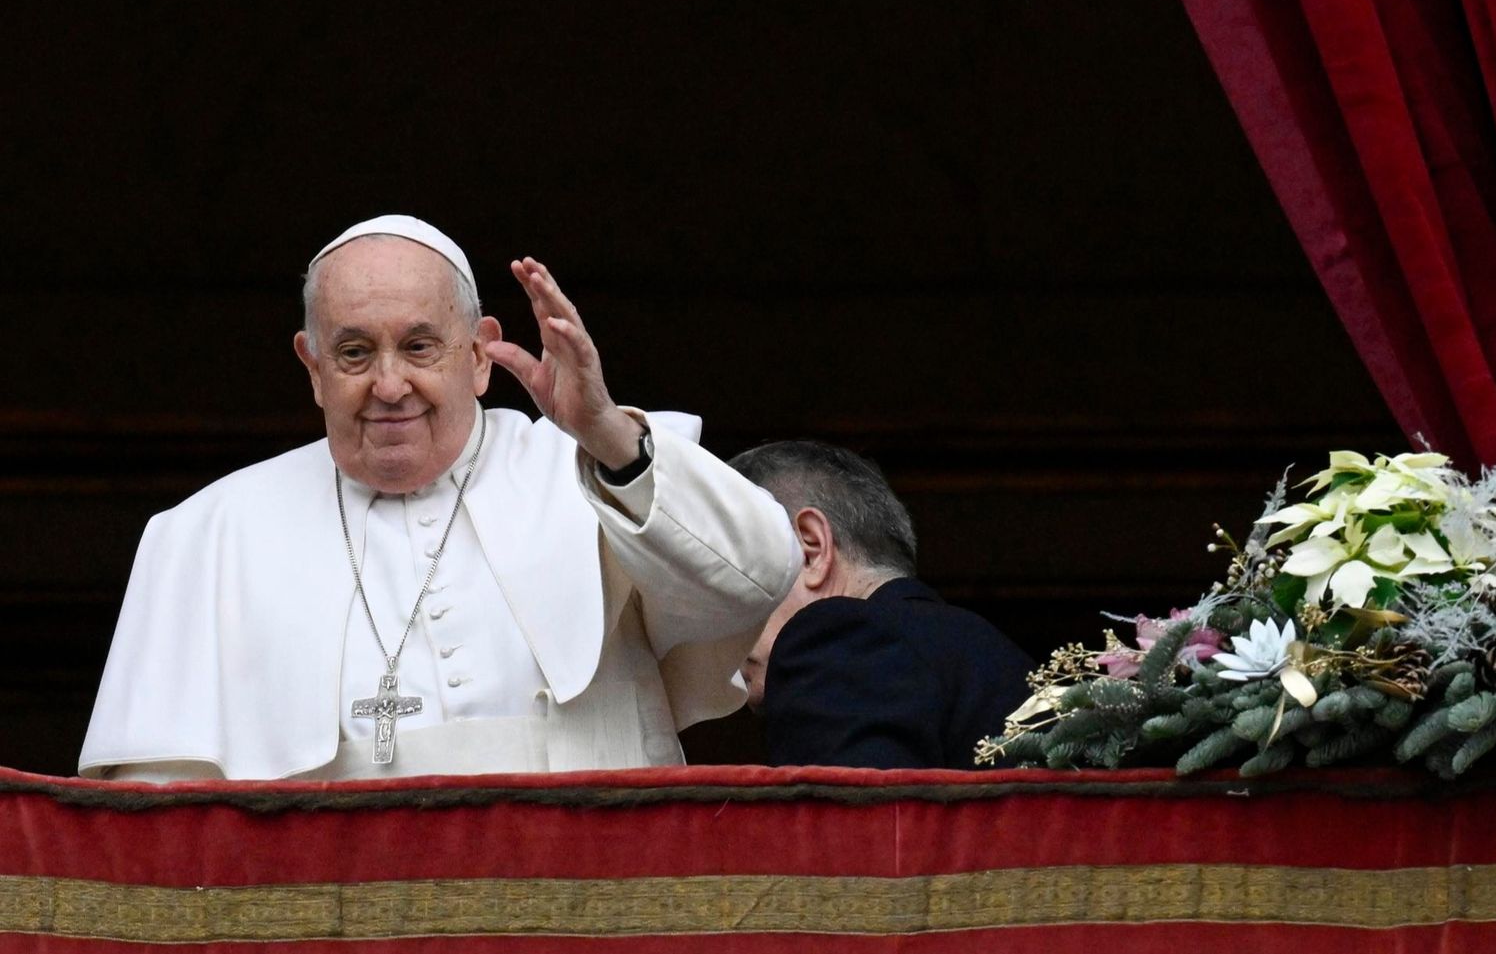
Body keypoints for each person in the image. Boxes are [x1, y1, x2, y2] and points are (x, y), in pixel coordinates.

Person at [79, 215, 799, 781]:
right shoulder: (212, 533)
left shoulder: (593, 469)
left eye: (420, 347)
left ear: (482, 353)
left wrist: (608, 432)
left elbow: (761, 575)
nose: (389, 386)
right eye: (355, 353)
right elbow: (157, 812)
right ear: (313, 366)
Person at [729, 441, 1033, 769]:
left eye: (729, 582)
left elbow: (850, 821)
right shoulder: (994, 655)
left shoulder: (840, 646)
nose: (718, 636)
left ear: (810, 551)